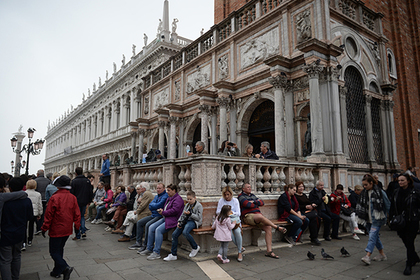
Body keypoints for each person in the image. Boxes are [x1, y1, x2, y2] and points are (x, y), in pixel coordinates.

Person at [41, 175, 80, 280]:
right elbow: (77, 214)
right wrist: (77, 227)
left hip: (56, 228)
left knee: (53, 252)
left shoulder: (54, 197)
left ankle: (65, 267)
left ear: (58, 186)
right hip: (67, 229)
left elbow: (49, 215)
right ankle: (57, 271)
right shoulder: (73, 197)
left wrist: (44, 228)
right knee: (60, 249)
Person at [238, 183, 286, 259]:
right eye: (248, 187)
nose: (250, 188)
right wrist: (256, 203)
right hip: (248, 216)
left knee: (268, 228)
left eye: (250, 187)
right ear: (243, 189)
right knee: (260, 217)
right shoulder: (241, 196)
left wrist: (253, 202)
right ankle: (276, 227)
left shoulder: (253, 196)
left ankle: (269, 251)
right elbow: (247, 205)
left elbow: (262, 203)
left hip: (257, 216)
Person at [140, 184, 184, 260]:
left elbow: (174, 211)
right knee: (151, 227)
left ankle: (156, 252)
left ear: (174, 191)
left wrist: (163, 212)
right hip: (166, 217)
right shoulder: (169, 198)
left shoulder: (178, 199)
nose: (167, 192)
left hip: (173, 220)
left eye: (169, 190)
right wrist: (162, 211)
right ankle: (149, 248)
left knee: (158, 230)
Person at [0, 177, 32, 280]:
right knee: (17, 256)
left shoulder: (5, 202)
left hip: (5, 234)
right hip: (20, 233)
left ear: (10, 187)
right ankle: (15, 277)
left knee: (5, 260)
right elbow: (30, 217)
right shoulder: (27, 200)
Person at [357, 174, 390, 266]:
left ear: (371, 183)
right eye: (363, 185)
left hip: (377, 219)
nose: (364, 187)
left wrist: (391, 218)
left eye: (366, 185)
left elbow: (388, 205)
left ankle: (367, 255)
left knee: (372, 236)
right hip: (367, 219)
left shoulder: (380, 192)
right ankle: (382, 254)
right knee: (375, 237)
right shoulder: (364, 193)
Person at [392, 174, 420, 275]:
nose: (400, 182)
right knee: (405, 240)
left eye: (402, 180)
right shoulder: (396, 192)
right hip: (400, 221)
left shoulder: (415, 192)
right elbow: (392, 206)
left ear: (408, 181)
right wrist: (392, 218)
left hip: (412, 221)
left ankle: (409, 264)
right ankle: (415, 256)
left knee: (410, 241)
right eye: (399, 180)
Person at [164, 190, 202, 261]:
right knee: (174, 234)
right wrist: (179, 222)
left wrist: (190, 214)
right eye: (188, 199)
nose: (189, 201)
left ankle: (195, 247)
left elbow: (199, 218)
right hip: (185, 220)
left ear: (195, 198)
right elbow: (182, 214)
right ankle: (173, 254)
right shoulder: (187, 205)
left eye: (191, 199)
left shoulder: (199, 206)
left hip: (193, 221)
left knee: (185, 232)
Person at [129, 183, 168, 251]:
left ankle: (146, 244)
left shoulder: (165, 196)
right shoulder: (156, 196)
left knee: (148, 225)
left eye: (159, 188)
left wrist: (154, 206)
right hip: (153, 214)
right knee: (139, 222)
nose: (158, 190)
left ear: (164, 189)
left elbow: (159, 205)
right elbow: (151, 205)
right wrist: (154, 206)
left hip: (159, 216)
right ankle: (138, 242)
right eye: (157, 188)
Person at [216, 186, 244, 261]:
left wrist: (231, 212)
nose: (226, 196)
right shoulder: (221, 201)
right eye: (225, 195)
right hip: (225, 222)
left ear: (231, 194)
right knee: (229, 234)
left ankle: (239, 252)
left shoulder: (235, 201)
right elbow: (218, 211)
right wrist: (225, 213)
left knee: (238, 232)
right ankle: (240, 247)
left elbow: (238, 213)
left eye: (228, 194)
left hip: (234, 220)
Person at [70, 167, 93, 240]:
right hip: (85, 201)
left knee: (77, 218)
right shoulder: (87, 181)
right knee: (82, 216)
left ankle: (77, 235)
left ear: (76, 173)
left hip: (76, 202)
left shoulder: (74, 181)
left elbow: (72, 193)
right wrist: (89, 201)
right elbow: (90, 192)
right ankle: (83, 231)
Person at [294, 181, 320, 245]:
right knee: (314, 218)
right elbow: (297, 206)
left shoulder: (304, 195)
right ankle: (314, 238)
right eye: (299, 187)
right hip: (301, 212)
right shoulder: (295, 196)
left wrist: (311, 205)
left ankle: (314, 237)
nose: (301, 188)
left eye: (302, 186)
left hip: (308, 211)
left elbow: (308, 202)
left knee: (316, 218)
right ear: (297, 188)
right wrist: (305, 206)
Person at [25, 179, 43, 248]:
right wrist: (39, 213)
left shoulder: (24, 193)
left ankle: (24, 241)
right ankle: (30, 239)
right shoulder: (38, 194)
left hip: (26, 212)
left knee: (24, 226)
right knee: (31, 226)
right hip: (34, 212)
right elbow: (39, 205)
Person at [34, 169, 50, 234]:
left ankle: (38, 228)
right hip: (45, 199)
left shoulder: (35, 181)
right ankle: (42, 226)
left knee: (38, 213)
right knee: (43, 213)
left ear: (38, 174)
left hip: (38, 199)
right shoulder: (48, 181)